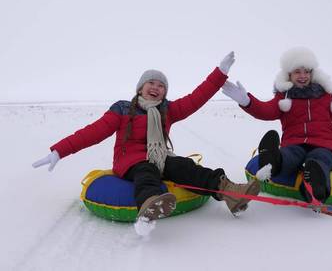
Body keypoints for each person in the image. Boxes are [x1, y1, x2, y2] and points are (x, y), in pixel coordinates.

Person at [33, 52, 260, 224]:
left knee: (186, 166)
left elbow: (196, 98)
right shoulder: (122, 109)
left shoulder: (167, 110)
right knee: (146, 171)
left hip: (160, 156)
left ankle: (231, 193)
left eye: (161, 86)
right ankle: (150, 205)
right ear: (141, 87)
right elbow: (94, 131)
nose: (156, 87)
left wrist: (219, 73)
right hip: (130, 161)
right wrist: (60, 150)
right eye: (151, 83)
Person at [221, 47, 332, 203]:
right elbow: (265, 111)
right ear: (289, 74)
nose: (303, 76)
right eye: (298, 71)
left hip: (327, 145)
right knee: (290, 155)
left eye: (306, 71)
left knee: (319, 159)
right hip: (295, 143)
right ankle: (274, 161)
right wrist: (246, 101)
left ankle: (316, 184)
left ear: (312, 73)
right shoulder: (284, 98)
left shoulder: (326, 98)